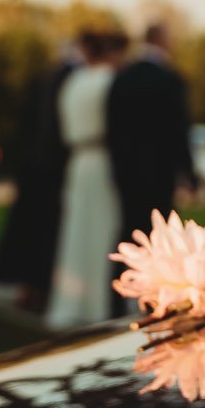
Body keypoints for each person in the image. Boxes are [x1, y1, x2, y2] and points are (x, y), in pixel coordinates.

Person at [47, 29, 128, 329]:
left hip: (77, 161)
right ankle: (97, 304)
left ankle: (71, 299)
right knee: (102, 231)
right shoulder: (108, 81)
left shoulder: (74, 81)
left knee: (76, 231)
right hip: (101, 160)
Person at [0, 43, 77, 312]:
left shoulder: (42, 79)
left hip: (32, 169)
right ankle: (39, 290)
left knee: (28, 231)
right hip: (52, 172)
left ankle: (28, 289)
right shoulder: (68, 81)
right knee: (45, 234)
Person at [107, 21, 196, 251]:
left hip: (127, 171)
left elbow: (112, 127)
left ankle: (120, 284)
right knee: (158, 235)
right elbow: (179, 130)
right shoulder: (170, 79)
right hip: (160, 171)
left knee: (129, 231)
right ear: (161, 41)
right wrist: (188, 173)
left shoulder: (122, 76)